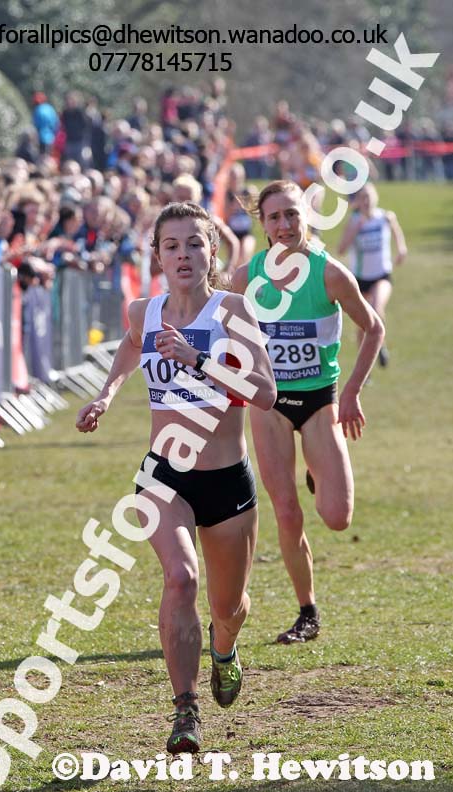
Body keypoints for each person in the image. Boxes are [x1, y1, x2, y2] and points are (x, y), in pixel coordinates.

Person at [76, 201, 276, 753]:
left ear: (212, 251)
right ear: (158, 255)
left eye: (195, 243)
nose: (184, 254)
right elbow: (127, 352)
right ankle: (185, 711)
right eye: (172, 245)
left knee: (229, 609)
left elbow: (265, 392)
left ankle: (225, 649)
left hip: (226, 481)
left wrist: (198, 358)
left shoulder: (233, 311)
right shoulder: (145, 311)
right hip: (164, 475)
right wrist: (105, 396)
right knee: (181, 579)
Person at [231, 180, 385, 644]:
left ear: (307, 217)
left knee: (337, 516)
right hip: (270, 405)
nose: (284, 225)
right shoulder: (246, 279)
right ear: (262, 223)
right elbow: (228, 336)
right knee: (287, 513)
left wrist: (353, 392)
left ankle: (319, 470)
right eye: (274, 217)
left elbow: (373, 329)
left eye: (292, 215)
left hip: (320, 402)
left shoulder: (330, 274)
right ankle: (307, 612)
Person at [338, 182, 407, 367]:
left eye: (370, 197)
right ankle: (365, 366)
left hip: (381, 275)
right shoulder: (354, 221)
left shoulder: (385, 217)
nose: (367, 201)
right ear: (358, 202)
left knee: (376, 308)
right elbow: (341, 249)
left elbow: (397, 232)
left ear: (376, 198)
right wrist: (355, 229)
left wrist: (401, 249)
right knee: (363, 326)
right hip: (360, 279)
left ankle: (380, 343)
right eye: (363, 198)